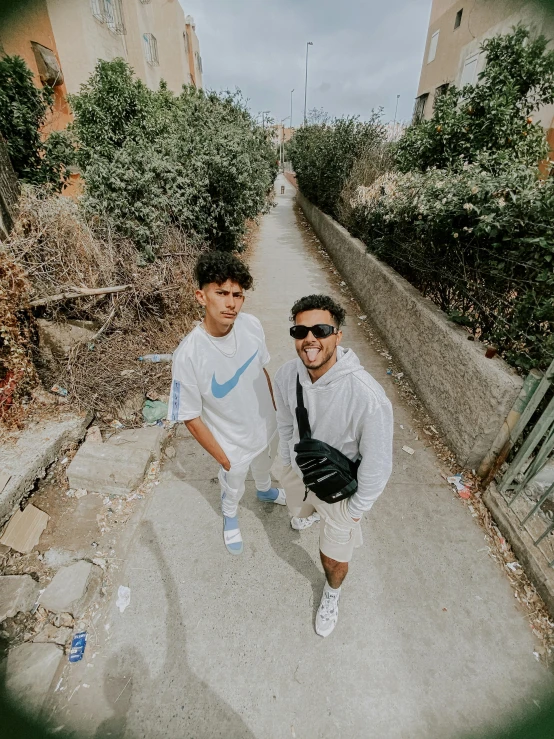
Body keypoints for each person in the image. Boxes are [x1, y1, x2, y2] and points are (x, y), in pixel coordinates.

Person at [274, 294, 393, 637]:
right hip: (301, 475)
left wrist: (356, 510)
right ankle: (309, 512)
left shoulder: (367, 398)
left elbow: (377, 466)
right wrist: (285, 467)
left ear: (338, 335)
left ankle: (332, 592)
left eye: (321, 329)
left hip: (341, 494)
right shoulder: (286, 376)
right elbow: (285, 425)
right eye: (300, 330)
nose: (309, 338)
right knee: (297, 514)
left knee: (332, 558)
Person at [168, 251, 285, 555]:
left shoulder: (252, 326)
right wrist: (224, 459)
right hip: (232, 443)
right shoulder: (189, 355)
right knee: (233, 485)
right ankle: (230, 516)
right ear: (201, 296)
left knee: (265, 463)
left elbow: (262, 370)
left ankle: (264, 490)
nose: (231, 303)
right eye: (221, 293)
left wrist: (273, 412)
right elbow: (190, 418)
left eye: (237, 295)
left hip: (266, 425)